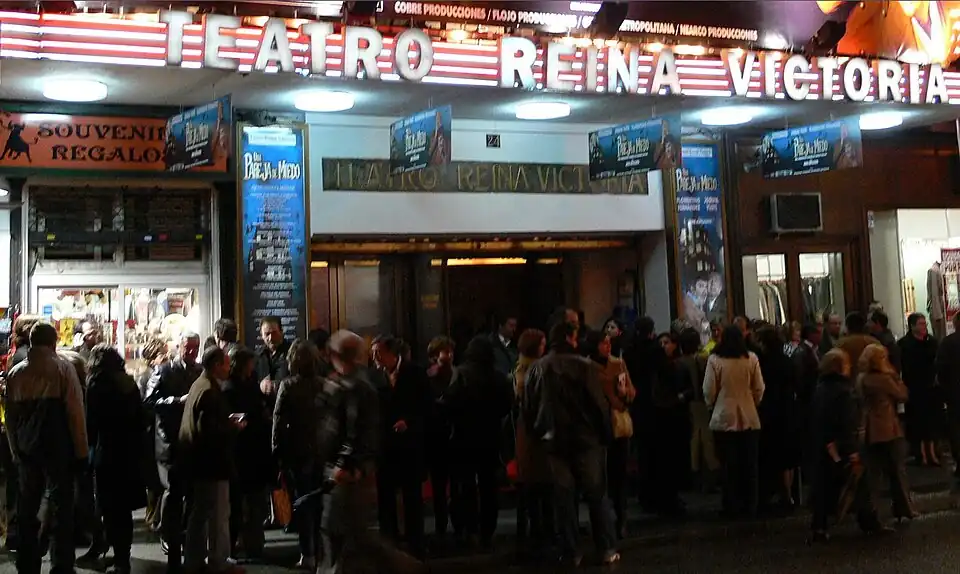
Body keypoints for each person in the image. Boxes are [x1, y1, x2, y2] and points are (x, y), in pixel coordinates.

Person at [318, 330, 425, 574]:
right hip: (343, 470)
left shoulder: (358, 386)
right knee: (348, 534)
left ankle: (407, 567)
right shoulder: (345, 383)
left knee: (349, 533)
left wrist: (348, 464)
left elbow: (357, 430)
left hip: (348, 472)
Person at [523, 322, 620, 567]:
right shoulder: (585, 366)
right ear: (570, 338)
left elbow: (528, 406)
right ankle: (606, 547)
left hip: (553, 440)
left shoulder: (537, 368)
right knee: (596, 494)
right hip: (586, 439)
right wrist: (605, 435)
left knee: (564, 498)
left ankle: (571, 551)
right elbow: (599, 405)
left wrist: (537, 433)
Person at [5, 322, 88, 574]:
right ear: (53, 342)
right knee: (61, 507)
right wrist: (81, 451)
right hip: (58, 447)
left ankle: (27, 562)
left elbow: (11, 418)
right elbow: (75, 413)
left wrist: (15, 450)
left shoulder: (16, 373)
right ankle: (61, 563)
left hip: (27, 449)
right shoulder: (63, 368)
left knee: (27, 507)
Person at [441, 336, 513, 551]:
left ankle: (469, 528)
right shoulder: (498, 377)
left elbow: (449, 402)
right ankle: (487, 531)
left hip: (464, 437)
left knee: (465, 485)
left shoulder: (461, 374)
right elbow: (506, 405)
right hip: (490, 436)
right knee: (489, 486)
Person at [180, 345, 245, 574]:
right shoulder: (209, 391)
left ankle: (194, 560)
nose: (229, 368)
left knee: (200, 513)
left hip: (198, 462)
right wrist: (233, 427)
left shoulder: (199, 384)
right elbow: (210, 433)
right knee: (217, 514)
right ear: (217, 365)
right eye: (226, 364)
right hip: (212, 464)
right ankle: (218, 560)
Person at [83, 344, 147, 574]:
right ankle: (123, 556)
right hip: (128, 453)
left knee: (109, 508)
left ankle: (117, 558)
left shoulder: (96, 384)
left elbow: (91, 422)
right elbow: (141, 419)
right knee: (124, 509)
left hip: (107, 452)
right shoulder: (128, 383)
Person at [144, 331, 202, 569]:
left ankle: (182, 536)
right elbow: (149, 401)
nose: (192, 352)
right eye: (188, 347)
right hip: (169, 441)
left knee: (190, 492)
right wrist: (176, 401)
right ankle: (169, 535)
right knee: (173, 491)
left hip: (191, 440)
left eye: (195, 347)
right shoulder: (164, 370)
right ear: (179, 347)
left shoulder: (199, 371)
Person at [371, 335, 431, 559]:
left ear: (392, 353)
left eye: (378, 352)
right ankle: (389, 543)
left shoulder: (414, 373)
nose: (374, 358)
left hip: (409, 447)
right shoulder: (374, 376)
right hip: (385, 446)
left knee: (412, 497)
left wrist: (410, 422)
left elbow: (427, 407)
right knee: (385, 498)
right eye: (372, 353)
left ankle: (416, 544)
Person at [808, 349, 875, 543]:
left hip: (823, 443)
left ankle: (819, 526)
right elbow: (847, 422)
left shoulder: (821, 387)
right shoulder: (844, 391)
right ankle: (868, 521)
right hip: (840, 445)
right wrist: (852, 449)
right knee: (858, 482)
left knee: (823, 486)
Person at [272, 341, 327, 570]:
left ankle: (307, 553)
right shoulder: (325, 385)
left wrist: (277, 453)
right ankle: (322, 551)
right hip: (322, 452)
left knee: (303, 503)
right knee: (320, 504)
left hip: (298, 452)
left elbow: (278, 423)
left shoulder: (288, 386)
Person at [703, 325, 765, 518]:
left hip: (724, 415)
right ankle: (750, 504)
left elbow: (709, 389)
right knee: (749, 464)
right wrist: (753, 402)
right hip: (749, 415)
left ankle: (731, 504)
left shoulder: (715, 360)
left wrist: (712, 404)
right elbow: (759, 387)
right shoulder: (751, 358)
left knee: (728, 465)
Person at [583, 330, 635, 537]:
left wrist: (625, 394)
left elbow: (631, 390)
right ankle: (602, 522)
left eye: (608, 343)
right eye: (603, 343)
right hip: (597, 425)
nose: (608, 346)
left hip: (618, 424)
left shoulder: (618, 364)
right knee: (598, 477)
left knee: (619, 474)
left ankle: (621, 517)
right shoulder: (586, 367)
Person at [222, 345, 271, 561]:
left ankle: (249, 543)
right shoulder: (232, 388)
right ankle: (245, 544)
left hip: (249, 450)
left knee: (247, 501)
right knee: (243, 501)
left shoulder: (241, 385)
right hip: (243, 449)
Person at [858, 344, 917, 522]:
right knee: (897, 470)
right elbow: (902, 394)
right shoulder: (884, 379)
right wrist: (895, 376)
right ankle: (903, 507)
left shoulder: (862, 378)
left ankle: (871, 514)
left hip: (870, 429)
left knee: (873, 474)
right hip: (888, 428)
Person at [0, 314, 40, 552]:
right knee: (23, 483)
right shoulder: (25, 358)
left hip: (15, 429)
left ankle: (16, 533)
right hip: (24, 430)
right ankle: (20, 534)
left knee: (16, 482)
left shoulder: (17, 355)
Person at [512, 328, 553, 562]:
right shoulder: (534, 370)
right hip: (534, 437)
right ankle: (539, 538)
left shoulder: (523, 368)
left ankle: (532, 538)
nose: (544, 347)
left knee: (532, 490)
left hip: (527, 436)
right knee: (538, 489)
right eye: (542, 343)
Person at [754, 326, 800, 511]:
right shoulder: (787, 361)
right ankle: (788, 495)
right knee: (787, 457)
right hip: (787, 410)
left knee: (772, 454)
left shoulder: (762, 362)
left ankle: (775, 494)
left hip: (769, 411)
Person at [650, 328, 693, 516]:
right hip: (666, 417)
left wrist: (681, 397)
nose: (663, 346)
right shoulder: (659, 368)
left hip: (675, 416)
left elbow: (690, 388)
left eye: (666, 342)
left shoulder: (680, 366)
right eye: (661, 343)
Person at [899, 313, 942, 466]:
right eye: (921, 324)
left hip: (931, 388)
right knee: (917, 422)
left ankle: (933, 451)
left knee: (931, 422)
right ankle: (920, 453)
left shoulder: (932, 342)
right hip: (914, 389)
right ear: (912, 326)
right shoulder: (904, 344)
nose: (924, 326)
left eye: (925, 323)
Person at [425, 336, 455, 543]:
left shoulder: (457, 374)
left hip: (452, 434)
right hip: (438, 436)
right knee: (439, 484)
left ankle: (453, 524)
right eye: (446, 351)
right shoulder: (430, 378)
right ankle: (441, 525)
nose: (450, 355)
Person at [681, 328, 719, 493]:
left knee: (694, 439)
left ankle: (694, 472)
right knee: (707, 440)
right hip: (703, 403)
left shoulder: (679, 362)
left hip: (688, 403)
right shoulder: (704, 359)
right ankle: (710, 475)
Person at [936, 313, 960, 480]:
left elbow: (940, 369)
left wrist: (945, 391)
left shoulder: (948, 343)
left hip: (954, 394)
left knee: (956, 430)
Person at [255, 316, 291, 404]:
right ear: (261, 335)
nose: (271, 338)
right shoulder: (257, 356)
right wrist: (260, 386)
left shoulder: (292, 353)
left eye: (274, 333)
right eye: (267, 334)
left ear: (281, 332)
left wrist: (277, 385)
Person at [836, 312, 879, 380]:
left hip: (848, 382)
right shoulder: (874, 342)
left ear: (847, 326)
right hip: (871, 382)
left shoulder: (841, 344)